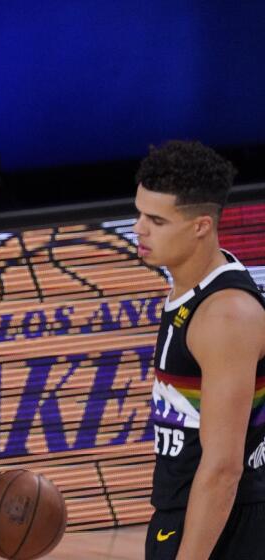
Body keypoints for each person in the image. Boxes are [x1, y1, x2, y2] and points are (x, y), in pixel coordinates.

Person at [135, 141, 265, 559]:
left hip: (227, 523)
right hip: (183, 508)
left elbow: (224, 468)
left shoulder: (226, 316)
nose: (139, 229)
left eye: (156, 220)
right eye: (139, 213)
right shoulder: (191, 286)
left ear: (201, 226)